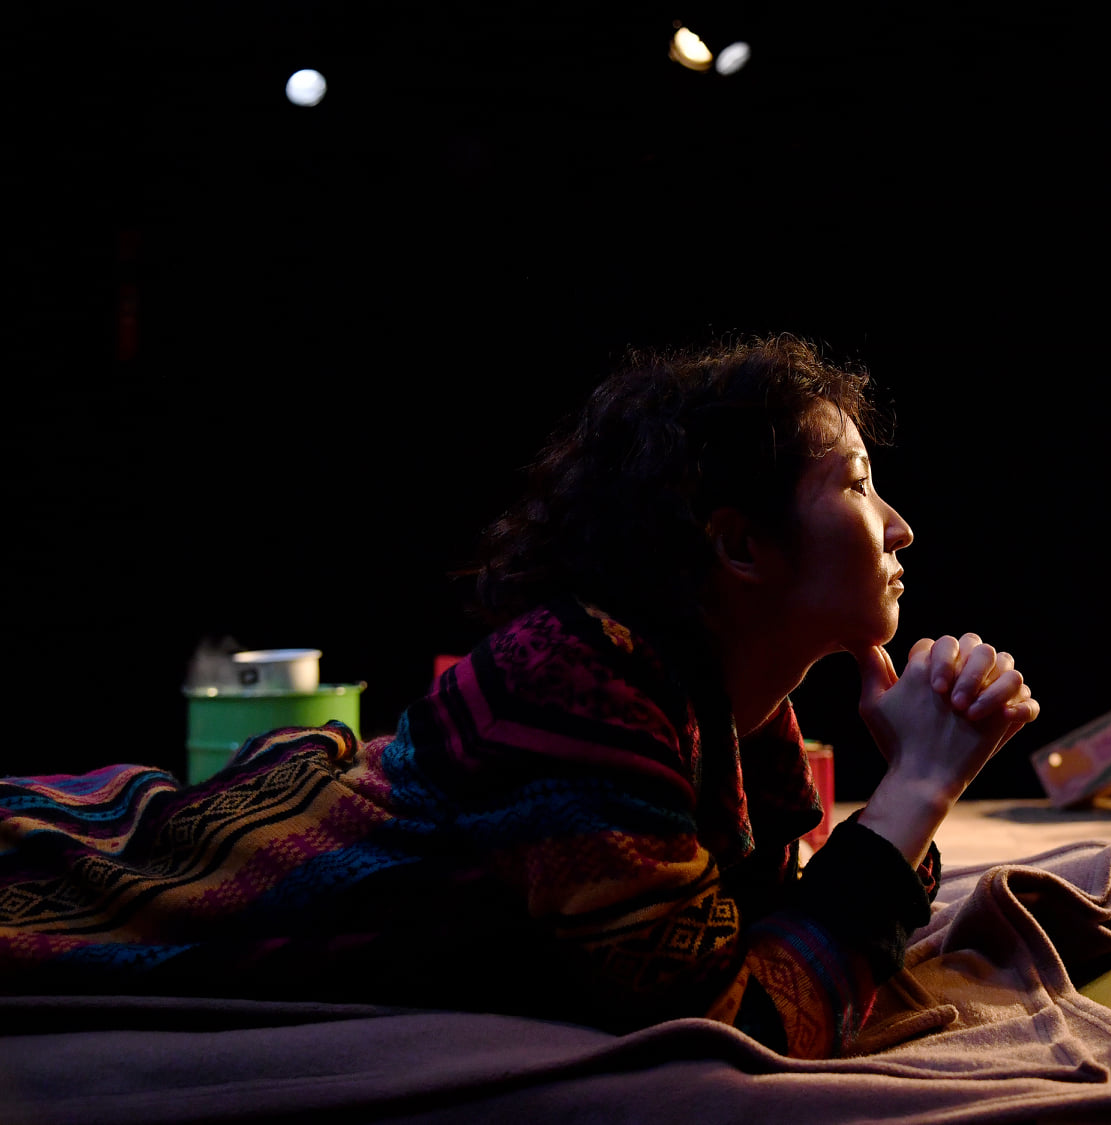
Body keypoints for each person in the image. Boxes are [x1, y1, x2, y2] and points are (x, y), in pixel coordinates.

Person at [0, 336, 1039, 1058]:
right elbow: (739, 1025)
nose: (898, 527)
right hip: (131, 880)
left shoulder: (731, 712)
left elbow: (766, 932)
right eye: (856, 483)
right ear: (736, 545)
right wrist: (917, 787)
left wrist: (911, 792)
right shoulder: (576, 681)